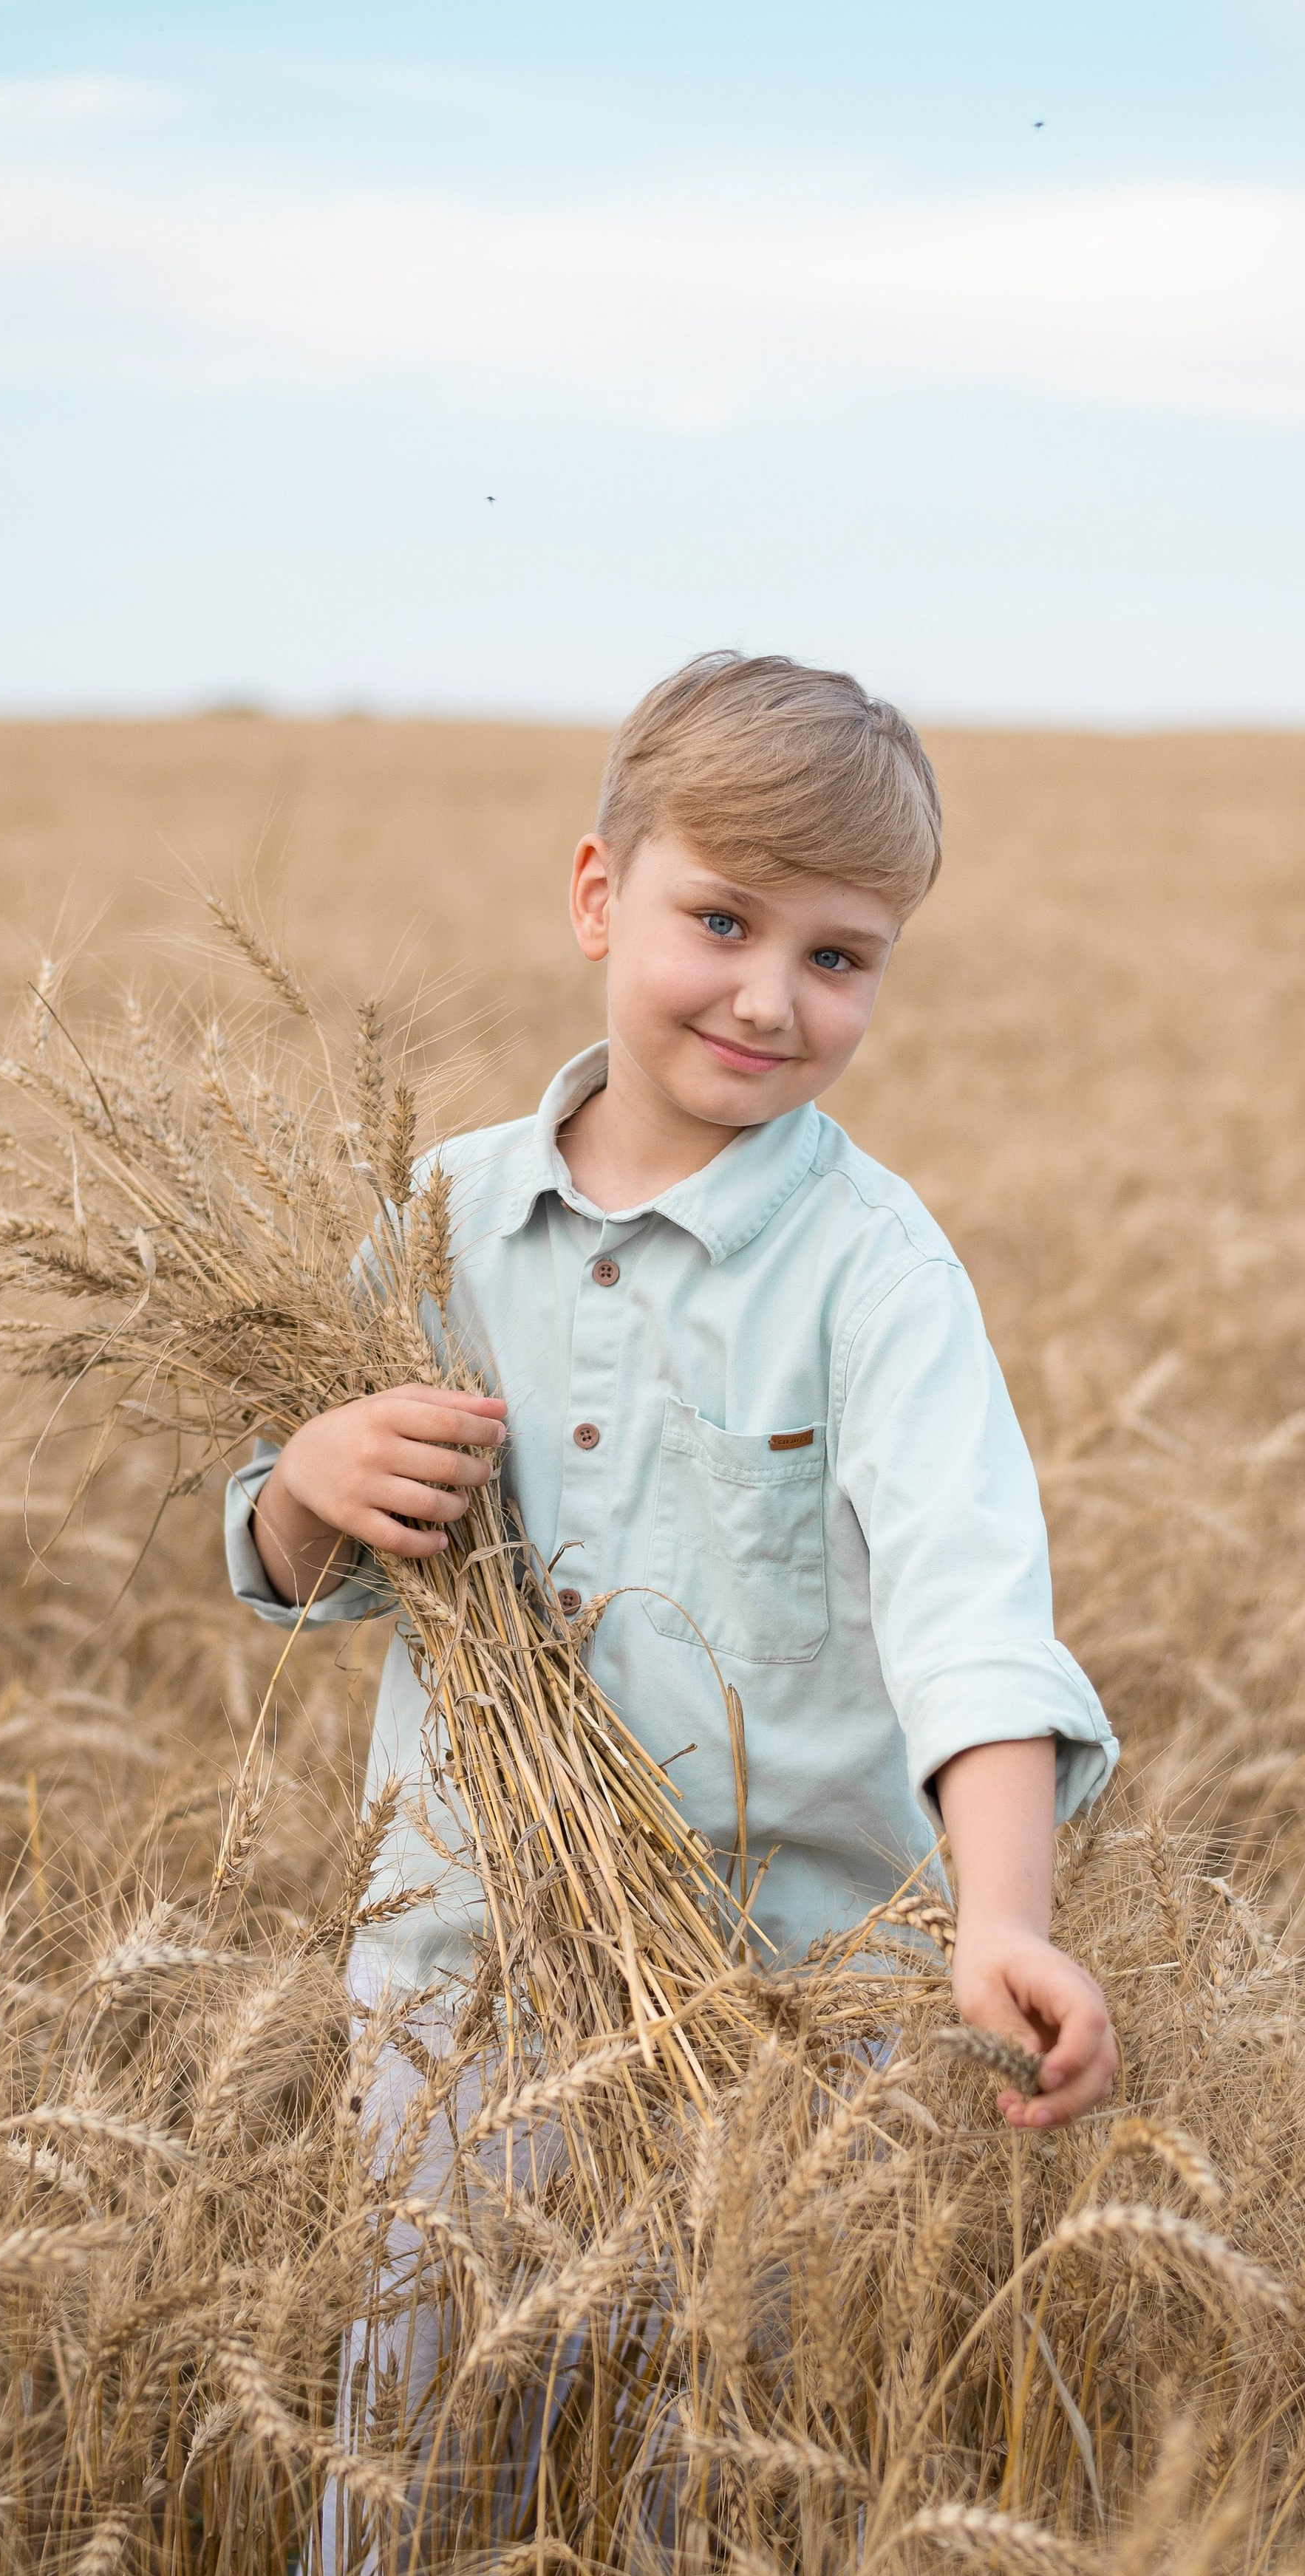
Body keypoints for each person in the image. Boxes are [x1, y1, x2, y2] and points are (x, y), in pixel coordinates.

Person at [227, 649, 1119, 2131]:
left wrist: (1002, 1918)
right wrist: (315, 1480)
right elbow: (294, 1566)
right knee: (427, 2368)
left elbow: (970, 1613)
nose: (769, 998)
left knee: (744, 2371)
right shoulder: (438, 1213)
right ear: (596, 896)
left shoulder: (872, 1273)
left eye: (837, 957)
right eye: (720, 921)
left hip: (784, 2008)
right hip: (460, 1982)